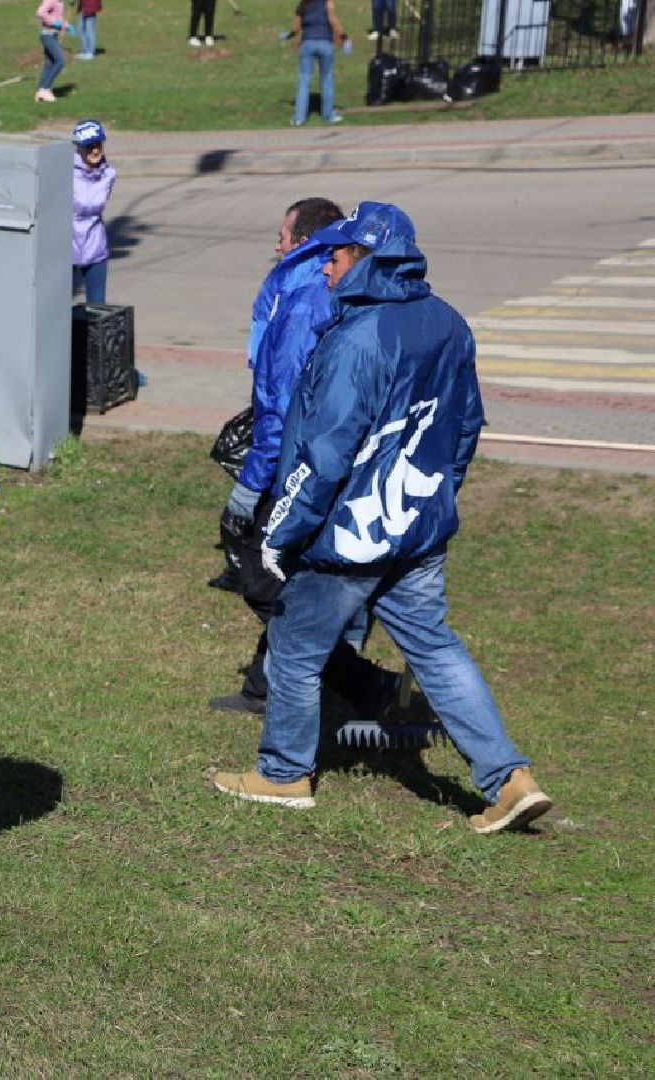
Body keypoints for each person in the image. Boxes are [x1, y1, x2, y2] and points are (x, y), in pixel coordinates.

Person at [212, 202, 554, 835]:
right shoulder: (448, 323)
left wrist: (277, 537)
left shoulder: (356, 338)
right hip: (418, 529)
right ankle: (509, 778)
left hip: (348, 538)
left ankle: (283, 773)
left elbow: (323, 453)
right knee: (436, 648)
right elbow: (465, 426)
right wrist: (439, 497)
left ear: (367, 259)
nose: (324, 270)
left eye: (335, 258)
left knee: (292, 649)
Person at [212, 196, 395, 717]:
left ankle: (361, 685)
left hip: (300, 466)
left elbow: (282, 401)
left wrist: (251, 485)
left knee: (266, 579)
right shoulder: (327, 286)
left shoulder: (308, 295)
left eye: (283, 233)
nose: (276, 244)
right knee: (306, 579)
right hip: (332, 459)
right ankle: (263, 687)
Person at [71, 119, 115, 307]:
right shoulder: (64, 172)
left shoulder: (109, 175)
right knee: (60, 314)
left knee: (98, 311)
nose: (95, 150)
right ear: (79, 148)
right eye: (89, 146)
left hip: (95, 248)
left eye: (98, 144)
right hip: (67, 250)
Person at [290, 0, 348, 125]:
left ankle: (299, 117)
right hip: (324, 43)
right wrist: (343, 36)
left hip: (307, 44)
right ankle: (327, 115)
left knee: (303, 81)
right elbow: (332, 19)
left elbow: (296, 28)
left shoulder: (303, 4)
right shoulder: (327, 2)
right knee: (327, 80)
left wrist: (289, 35)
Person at [35, 0, 72, 102]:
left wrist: (66, 26)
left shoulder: (60, 2)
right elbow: (40, 12)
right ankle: (44, 89)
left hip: (53, 35)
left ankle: (41, 91)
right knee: (60, 61)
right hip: (47, 35)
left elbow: (58, 18)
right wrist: (53, 22)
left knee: (50, 63)